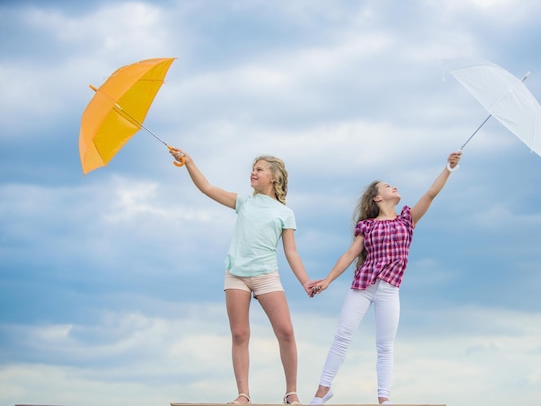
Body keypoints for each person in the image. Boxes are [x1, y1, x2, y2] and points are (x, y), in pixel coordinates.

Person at [307, 151, 462, 405]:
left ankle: (383, 399)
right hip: (363, 287)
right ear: (378, 197)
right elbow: (349, 255)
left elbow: (430, 194)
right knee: (342, 335)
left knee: (385, 345)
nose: (395, 187)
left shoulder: (406, 220)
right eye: (388, 186)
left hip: (390, 290)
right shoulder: (367, 226)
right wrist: (328, 280)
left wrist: (449, 167)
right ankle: (321, 393)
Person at [170, 148, 315, 405]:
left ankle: (291, 392)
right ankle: (243, 395)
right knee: (239, 334)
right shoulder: (243, 202)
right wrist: (189, 161)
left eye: (259, 169)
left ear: (274, 177)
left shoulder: (285, 213)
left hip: (266, 276)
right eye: (253, 168)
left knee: (286, 331)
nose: (253, 173)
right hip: (236, 275)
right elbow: (206, 188)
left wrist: (305, 281)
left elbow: (291, 252)